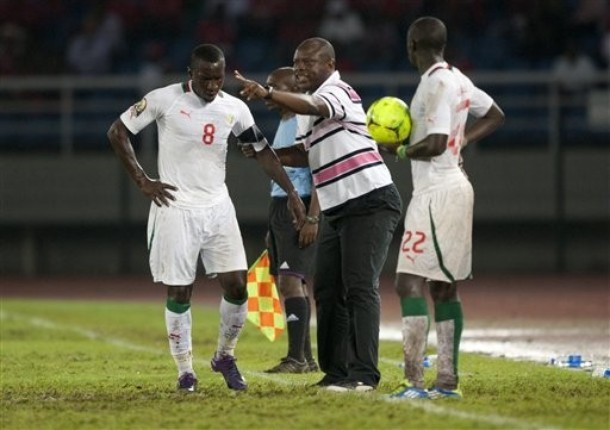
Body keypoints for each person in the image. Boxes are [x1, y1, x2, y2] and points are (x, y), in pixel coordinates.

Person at [107, 43, 306, 393]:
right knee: (180, 290)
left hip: (217, 207)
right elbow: (117, 131)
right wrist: (142, 179)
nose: (213, 86)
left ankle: (224, 356)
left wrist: (291, 192)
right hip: (176, 208)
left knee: (237, 286)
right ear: (190, 74)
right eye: (206, 78)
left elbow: (263, 152)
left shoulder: (235, 108)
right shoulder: (164, 99)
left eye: (218, 78)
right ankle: (185, 371)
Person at [235, 37, 403, 392]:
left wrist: (267, 93)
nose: (300, 69)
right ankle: (337, 372)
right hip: (338, 208)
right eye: (296, 63)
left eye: (308, 63)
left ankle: (364, 374)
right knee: (327, 289)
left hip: (371, 200)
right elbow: (305, 153)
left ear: (329, 64)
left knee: (359, 287)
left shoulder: (340, 91)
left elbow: (313, 104)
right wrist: (265, 153)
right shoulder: (304, 118)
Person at [385, 17, 505, 400]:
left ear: (413, 43)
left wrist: (401, 150)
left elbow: (435, 142)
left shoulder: (435, 82)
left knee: (408, 281)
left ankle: (414, 383)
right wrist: (463, 142)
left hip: (437, 191)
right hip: (450, 186)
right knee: (442, 287)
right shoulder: (458, 78)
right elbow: (494, 114)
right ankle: (447, 382)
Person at [259, 67, 320, 374]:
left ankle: (296, 358)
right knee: (293, 281)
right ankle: (305, 359)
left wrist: (312, 217)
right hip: (281, 206)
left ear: (291, 87)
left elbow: (319, 166)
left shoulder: (302, 118)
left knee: (290, 280)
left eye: (274, 86)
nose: (269, 92)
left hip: (299, 205)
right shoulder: (285, 120)